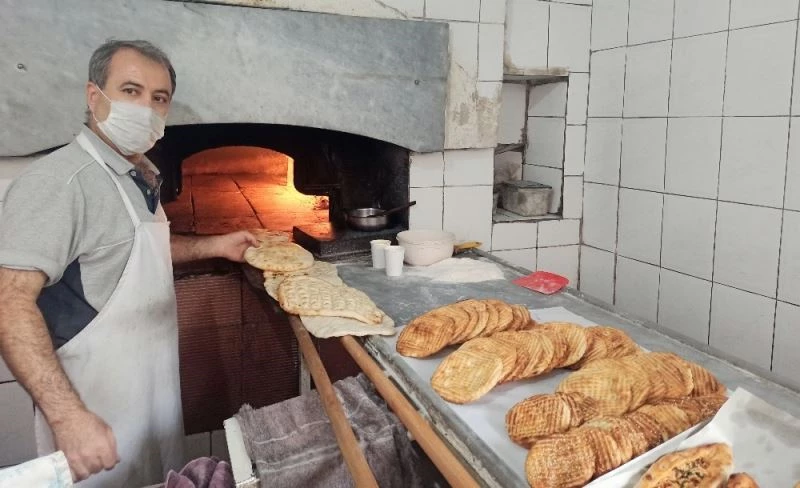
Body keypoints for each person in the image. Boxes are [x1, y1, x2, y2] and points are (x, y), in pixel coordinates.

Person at [0, 40, 257, 486]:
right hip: (95, 412)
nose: (146, 108)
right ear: (94, 96)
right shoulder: (60, 182)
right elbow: (9, 302)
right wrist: (69, 418)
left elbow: (135, 250)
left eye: (158, 98)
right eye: (131, 91)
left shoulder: (137, 173)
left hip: (151, 401)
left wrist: (216, 246)